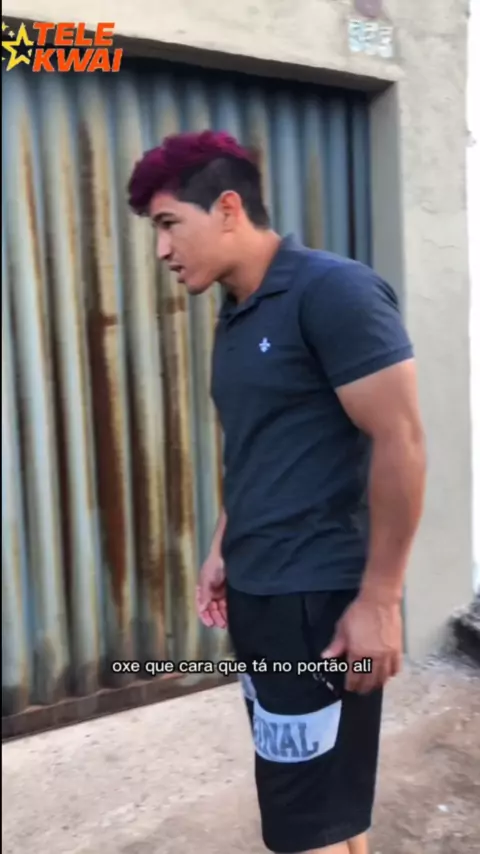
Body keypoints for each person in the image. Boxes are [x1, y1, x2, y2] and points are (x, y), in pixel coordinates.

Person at [127, 130, 427, 854]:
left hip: (315, 601)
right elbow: (262, 445)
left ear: (228, 209)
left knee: (302, 823)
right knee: (326, 806)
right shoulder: (238, 312)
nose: (161, 250)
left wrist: (380, 600)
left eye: (169, 224)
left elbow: (403, 442)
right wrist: (223, 546)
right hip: (262, 591)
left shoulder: (332, 292)